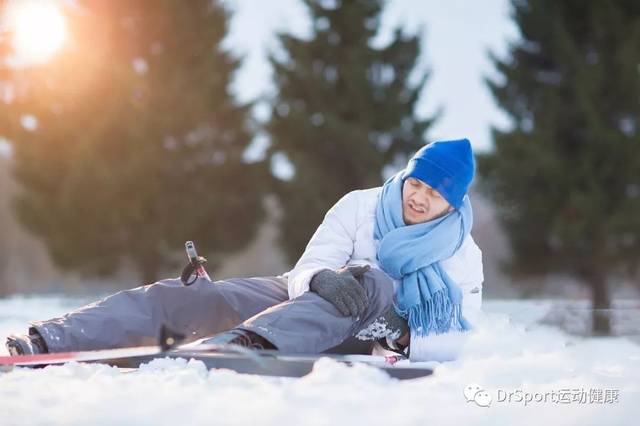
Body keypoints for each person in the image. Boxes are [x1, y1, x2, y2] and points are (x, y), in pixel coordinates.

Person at [6, 138, 484, 361]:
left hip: (373, 325)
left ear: (453, 201)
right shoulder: (361, 206)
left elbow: (458, 336)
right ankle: (51, 340)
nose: (419, 197)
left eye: (435, 193)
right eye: (415, 182)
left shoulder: (463, 255)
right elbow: (310, 265)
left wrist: (402, 339)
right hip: (305, 305)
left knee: (371, 279)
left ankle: (243, 346)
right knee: (202, 297)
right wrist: (319, 279)